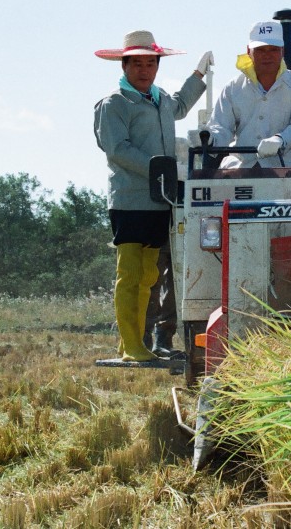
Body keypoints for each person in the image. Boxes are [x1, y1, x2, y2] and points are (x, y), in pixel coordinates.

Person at [93, 30, 211, 362]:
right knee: (130, 274)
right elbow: (117, 150)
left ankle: (134, 344)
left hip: (159, 201)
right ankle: (132, 344)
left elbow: (182, 104)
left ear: (157, 65)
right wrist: (160, 170)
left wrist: (198, 75)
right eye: (137, 64)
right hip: (130, 201)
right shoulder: (114, 104)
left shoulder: (159, 100)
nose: (144, 70)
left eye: (150, 63)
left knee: (149, 275)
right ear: (124, 66)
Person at [207, 21, 291, 168]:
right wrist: (209, 139)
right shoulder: (232, 88)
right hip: (240, 167)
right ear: (248, 51)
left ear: (282, 51)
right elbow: (221, 128)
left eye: (273, 49)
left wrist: (280, 140)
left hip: (287, 170)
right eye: (261, 50)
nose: (267, 55)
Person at [143, 241, 180, 359]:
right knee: (151, 283)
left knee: (176, 286)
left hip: (182, 231)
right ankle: (144, 339)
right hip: (156, 232)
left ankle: (163, 340)